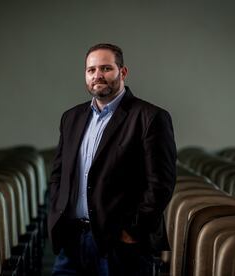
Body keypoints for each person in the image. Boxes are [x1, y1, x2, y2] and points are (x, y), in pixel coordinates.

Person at [48, 43, 177, 276]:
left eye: (106, 68)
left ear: (123, 72)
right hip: (73, 242)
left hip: (120, 246)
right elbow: (59, 174)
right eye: (91, 70)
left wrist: (132, 232)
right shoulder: (71, 118)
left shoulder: (150, 117)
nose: (98, 75)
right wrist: (58, 215)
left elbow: (161, 184)